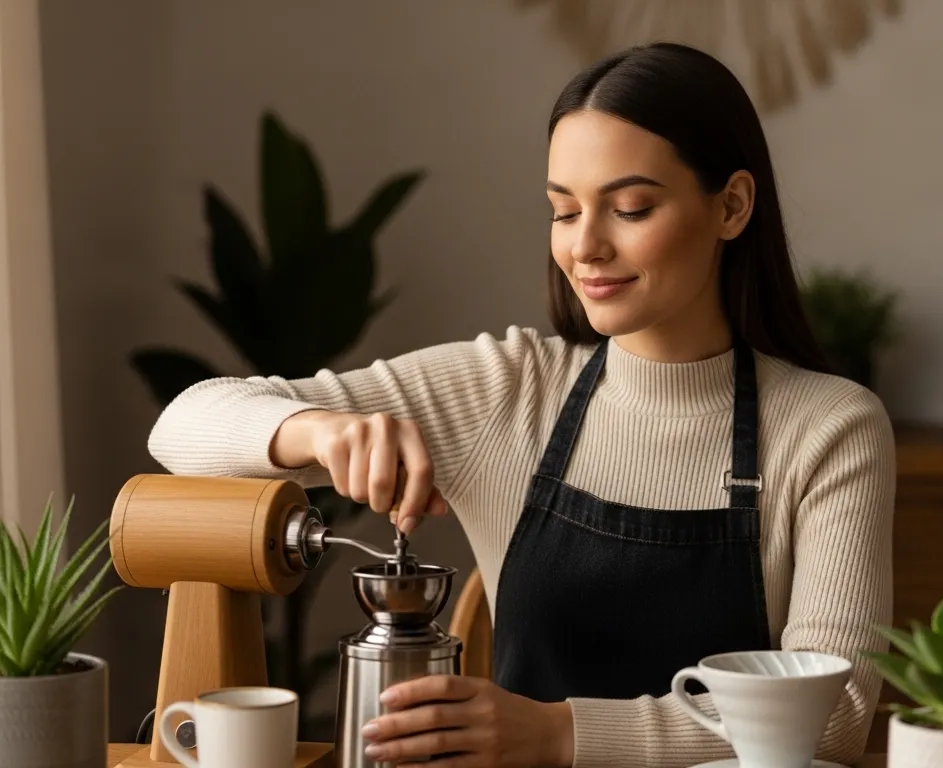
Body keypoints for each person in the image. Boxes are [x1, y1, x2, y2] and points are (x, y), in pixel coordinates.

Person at [147, 41, 895, 768]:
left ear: (731, 206)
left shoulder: (829, 427)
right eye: (564, 212)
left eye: (629, 208)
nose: (585, 248)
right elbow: (181, 425)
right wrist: (317, 428)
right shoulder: (505, 390)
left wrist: (557, 735)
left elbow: (832, 717)